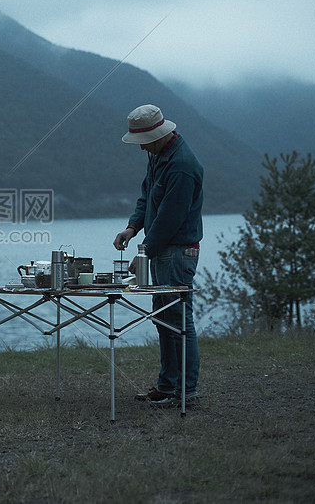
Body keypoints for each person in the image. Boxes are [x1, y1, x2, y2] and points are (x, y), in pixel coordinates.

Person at [112, 104, 203, 407]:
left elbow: (170, 217)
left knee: (178, 319)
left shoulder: (181, 165)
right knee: (164, 319)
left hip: (177, 252)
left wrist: (145, 252)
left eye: (143, 142)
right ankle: (168, 386)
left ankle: (186, 391)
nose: (141, 149)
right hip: (161, 249)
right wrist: (132, 227)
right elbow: (147, 195)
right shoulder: (158, 156)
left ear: (158, 135)